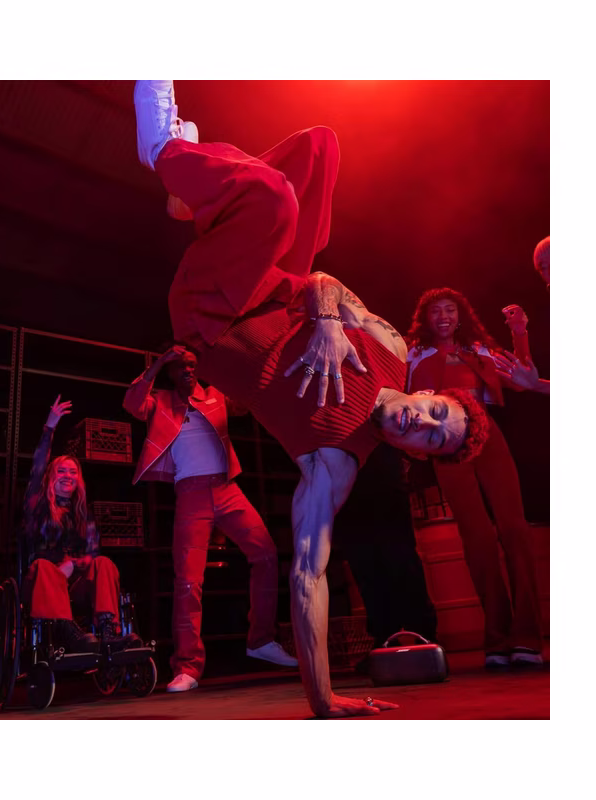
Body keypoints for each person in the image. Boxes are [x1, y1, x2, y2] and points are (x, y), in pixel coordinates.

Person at [133, 80, 491, 717]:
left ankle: (163, 149)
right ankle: (194, 201)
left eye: (432, 439)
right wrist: (326, 320)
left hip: (212, 315)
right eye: (437, 412)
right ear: (428, 393)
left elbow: (308, 575)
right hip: (273, 287)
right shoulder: (389, 345)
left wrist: (322, 700)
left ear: (416, 454)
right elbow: (326, 281)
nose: (423, 422)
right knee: (318, 149)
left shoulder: (336, 460)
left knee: (272, 197)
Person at [124, 345, 298, 692]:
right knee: (188, 581)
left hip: (226, 488)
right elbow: (131, 403)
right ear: (170, 373)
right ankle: (187, 665)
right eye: (180, 366)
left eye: (192, 365)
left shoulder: (216, 395)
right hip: (191, 495)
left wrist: (233, 363)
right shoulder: (160, 401)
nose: (187, 370)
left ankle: (262, 640)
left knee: (266, 554)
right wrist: (158, 363)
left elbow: (245, 401)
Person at [404, 288, 546, 667]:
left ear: (460, 315)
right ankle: (497, 639)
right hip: (445, 441)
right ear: (426, 319)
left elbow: (523, 378)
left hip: (486, 431)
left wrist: (519, 332)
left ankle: (527, 637)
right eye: (436, 311)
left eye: (450, 309)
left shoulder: (479, 349)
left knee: (514, 529)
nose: (443, 316)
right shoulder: (413, 354)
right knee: (477, 538)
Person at [22, 395, 138, 653]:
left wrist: (73, 564)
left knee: (103, 563)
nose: (68, 476)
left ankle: (108, 632)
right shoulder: (38, 504)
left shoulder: (83, 513)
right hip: (42, 583)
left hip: (74, 585)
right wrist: (49, 427)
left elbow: (92, 554)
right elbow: (38, 467)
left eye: (73, 472)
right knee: (44, 567)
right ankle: (67, 633)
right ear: (51, 476)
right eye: (61, 471)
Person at [334, 442, 438, 658]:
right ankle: (391, 638)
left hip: (371, 460)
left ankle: (420, 635)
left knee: (396, 556)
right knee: (367, 560)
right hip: (349, 464)